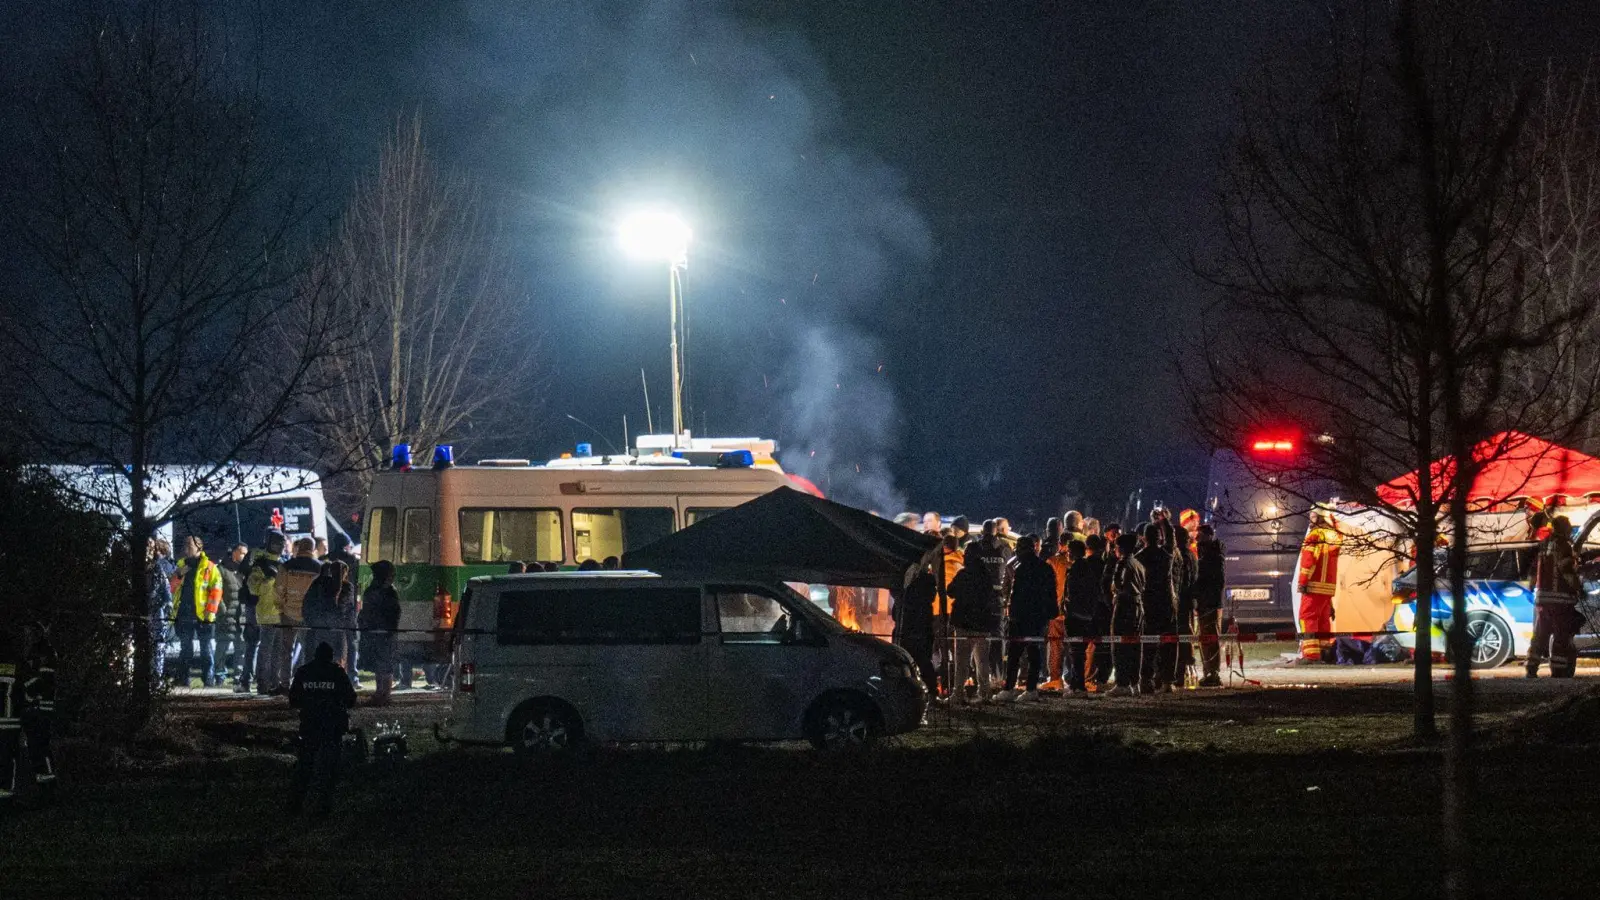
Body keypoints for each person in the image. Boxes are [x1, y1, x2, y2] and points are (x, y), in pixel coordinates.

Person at [288, 642, 356, 818]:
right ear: (331, 656)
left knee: (305, 766)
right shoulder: (337, 672)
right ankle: (326, 806)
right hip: (333, 727)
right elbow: (351, 699)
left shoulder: (304, 672)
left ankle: (295, 804)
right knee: (331, 769)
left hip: (310, 726)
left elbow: (293, 700)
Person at [998, 535, 1057, 702]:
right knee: (1034, 653)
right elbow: (1051, 592)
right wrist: (1050, 614)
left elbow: (1015, 595)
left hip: (1021, 618)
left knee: (1014, 654)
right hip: (1039, 618)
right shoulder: (1045, 567)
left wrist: (1012, 616)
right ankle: (1031, 689)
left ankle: (1009, 688)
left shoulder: (1020, 568)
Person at [1529, 514, 1583, 678]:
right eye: (1568, 525)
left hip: (1542, 599)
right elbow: (1566, 571)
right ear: (1562, 528)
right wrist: (1579, 588)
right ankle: (1559, 670)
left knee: (1540, 635)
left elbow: (1533, 572)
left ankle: (1532, 668)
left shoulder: (1543, 544)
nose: (1570, 528)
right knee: (1561, 635)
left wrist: (1534, 587)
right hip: (1560, 600)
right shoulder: (1563, 545)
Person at [172, 536, 223, 687]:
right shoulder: (181, 564)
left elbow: (216, 590)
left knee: (206, 650)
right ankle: (183, 679)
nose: (186, 548)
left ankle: (208, 680)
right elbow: (171, 588)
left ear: (199, 547)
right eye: (185, 545)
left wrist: (210, 612)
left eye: (189, 545)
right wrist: (179, 575)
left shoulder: (209, 567)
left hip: (204, 615)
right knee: (185, 649)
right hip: (184, 614)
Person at [274, 538, 324, 693]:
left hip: (289, 613)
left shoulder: (287, 566)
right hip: (310, 615)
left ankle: (284, 683)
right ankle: (307, 683)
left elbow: (278, 590)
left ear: (299, 548)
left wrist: (281, 608)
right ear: (313, 549)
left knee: (286, 651)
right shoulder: (320, 568)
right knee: (309, 650)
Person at [1296, 509, 1342, 663]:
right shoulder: (1335, 536)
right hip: (1328, 587)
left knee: (1307, 617)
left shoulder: (1315, 535)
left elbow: (1308, 561)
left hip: (1313, 585)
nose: (1311, 520)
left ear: (1320, 518)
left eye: (1313, 516)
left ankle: (1311, 656)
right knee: (1323, 619)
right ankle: (1325, 654)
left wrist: (1303, 582)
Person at [1136, 523, 1178, 692]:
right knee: (1169, 644)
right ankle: (1168, 681)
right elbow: (1171, 541)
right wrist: (1166, 523)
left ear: (1144, 538)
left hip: (1148, 604)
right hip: (1167, 604)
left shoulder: (1139, 557)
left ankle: (1146, 679)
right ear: (1159, 537)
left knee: (1148, 644)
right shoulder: (1166, 555)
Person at [947, 559, 996, 704]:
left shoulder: (963, 574)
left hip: (964, 623)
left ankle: (958, 693)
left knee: (962, 661)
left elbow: (950, 591)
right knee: (982, 661)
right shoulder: (987, 576)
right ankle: (985, 693)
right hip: (983, 624)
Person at [891, 558, 940, 700]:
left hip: (917, 628)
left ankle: (930, 691)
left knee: (921, 660)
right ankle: (911, 691)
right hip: (908, 627)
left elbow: (922, 599)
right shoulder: (906, 582)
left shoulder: (925, 582)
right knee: (906, 661)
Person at [247, 531, 288, 695]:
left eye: (281, 544)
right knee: (265, 651)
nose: (279, 546)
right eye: (276, 543)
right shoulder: (260, 564)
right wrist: (269, 579)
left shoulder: (284, 564)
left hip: (281, 613)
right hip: (266, 612)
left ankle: (274, 683)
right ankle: (262, 683)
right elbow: (253, 588)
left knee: (278, 651)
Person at [1064, 538, 1105, 693]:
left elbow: (1073, 593)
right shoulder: (1088, 568)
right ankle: (1076, 682)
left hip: (1076, 615)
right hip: (1087, 614)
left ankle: (1078, 684)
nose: (1067, 554)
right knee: (1079, 651)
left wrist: (1069, 608)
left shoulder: (1076, 569)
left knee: (1076, 652)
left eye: (1069, 551)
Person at [359, 561, 402, 705]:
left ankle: (384, 694)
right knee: (381, 664)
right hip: (381, 632)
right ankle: (381, 693)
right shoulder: (386, 591)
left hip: (382, 632)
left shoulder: (380, 590)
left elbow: (393, 613)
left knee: (384, 664)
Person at [1108, 532, 1146, 695]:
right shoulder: (1139, 564)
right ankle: (1134, 682)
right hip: (1138, 607)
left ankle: (1122, 683)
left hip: (1124, 606)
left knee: (1119, 644)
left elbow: (1117, 585)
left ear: (1121, 548)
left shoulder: (1123, 563)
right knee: (1135, 646)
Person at [19, 626, 56, 794]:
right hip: (36, 708)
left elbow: (43, 683)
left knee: (41, 746)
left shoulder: (44, 654)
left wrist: (30, 698)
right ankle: (42, 783)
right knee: (35, 747)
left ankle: (48, 784)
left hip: (41, 708)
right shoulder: (36, 653)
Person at [304, 560, 355, 671]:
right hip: (338, 629)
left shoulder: (320, 583)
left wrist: (311, 621)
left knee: (321, 657)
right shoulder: (347, 587)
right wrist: (349, 626)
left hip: (320, 627)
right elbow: (347, 608)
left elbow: (307, 604)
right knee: (339, 658)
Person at [1195, 524, 1226, 687]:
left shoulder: (1212, 555)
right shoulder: (1208, 553)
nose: (1196, 539)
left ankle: (1213, 673)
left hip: (1210, 603)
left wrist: (1202, 595)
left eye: (1199, 536)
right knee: (1206, 639)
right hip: (1206, 602)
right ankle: (1208, 671)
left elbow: (1215, 581)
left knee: (1210, 638)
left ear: (1208, 535)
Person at [213, 544, 247, 688]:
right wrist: (223, 611)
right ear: (234, 553)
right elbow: (216, 592)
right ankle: (219, 675)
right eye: (242, 553)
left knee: (241, 648)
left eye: (246, 554)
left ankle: (238, 676)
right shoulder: (221, 570)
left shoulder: (245, 571)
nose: (244, 556)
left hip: (242, 616)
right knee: (222, 647)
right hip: (226, 616)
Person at [147, 538, 176, 686]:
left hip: (156, 610)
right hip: (142, 610)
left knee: (158, 644)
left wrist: (167, 602)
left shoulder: (157, 567)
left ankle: (156, 676)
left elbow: (165, 587)